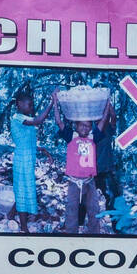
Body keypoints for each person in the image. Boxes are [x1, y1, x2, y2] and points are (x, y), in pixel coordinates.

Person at [0, 85, 55, 233]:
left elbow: (27, 141)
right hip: (22, 160)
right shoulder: (17, 117)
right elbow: (38, 121)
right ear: (19, 104)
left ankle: (11, 217)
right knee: (23, 191)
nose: (31, 107)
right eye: (29, 104)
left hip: (28, 158)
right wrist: (51, 103)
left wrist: (43, 150)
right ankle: (24, 228)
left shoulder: (26, 119)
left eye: (32, 105)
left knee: (22, 190)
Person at [56, 97, 114, 235]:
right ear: (76, 125)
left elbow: (105, 119)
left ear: (91, 127)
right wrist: (54, 101)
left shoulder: (93, 137)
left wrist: (107, 103)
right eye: (81, 125)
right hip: (74, 182)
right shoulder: (71, 136)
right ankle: (71, 235)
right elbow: (58, 121)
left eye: (87, 126)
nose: (84, 128)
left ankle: (95, 235)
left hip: (89, 182)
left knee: (94, 210)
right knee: (72, 209)